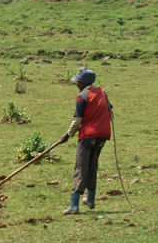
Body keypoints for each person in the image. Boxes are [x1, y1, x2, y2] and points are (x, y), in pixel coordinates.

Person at [59, 68, 113, 215]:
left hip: (88, 136)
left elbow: (77, 120)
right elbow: (110, 113)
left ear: (83, 83)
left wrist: (67, 135)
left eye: (78, 82)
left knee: (81, 167)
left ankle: (74, 205)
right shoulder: (102, 93)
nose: (76, 84)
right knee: (92, 165)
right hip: (103, 135)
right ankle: (90, 199)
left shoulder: (82, 96)